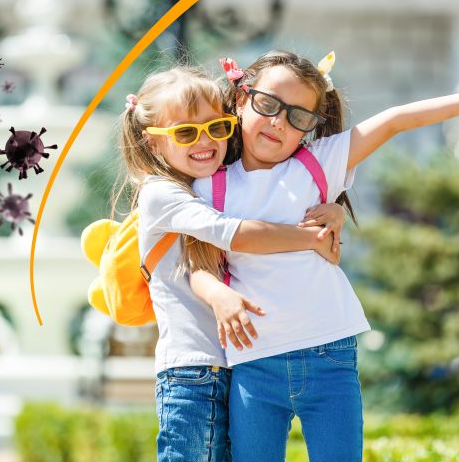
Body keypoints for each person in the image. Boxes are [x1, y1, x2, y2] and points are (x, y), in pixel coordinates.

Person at [188, 50, 459, 462]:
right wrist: (217, 296)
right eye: (268, 104)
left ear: (309, 129)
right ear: (241, 99)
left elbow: (394, 120)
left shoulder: (320, 162)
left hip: (328, 355)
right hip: (252, 364)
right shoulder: (210, 188)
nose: (279, 121)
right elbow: (194, 266)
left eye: (298, 116)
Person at [117, 65, 348, 461]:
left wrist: (333, 214)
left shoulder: (207, 187)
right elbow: (234, 235)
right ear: (153, 143)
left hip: (231, 365)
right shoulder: (162, 194)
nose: (204, 141)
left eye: (216, 128)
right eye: (185, 133)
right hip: (192, 370)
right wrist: (311, 239)